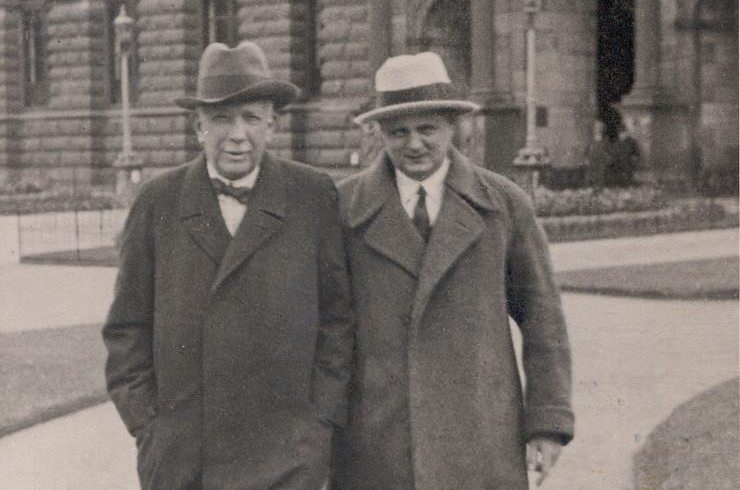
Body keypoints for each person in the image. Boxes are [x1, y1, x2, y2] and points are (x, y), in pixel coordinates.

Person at [102, 41, 354, 490]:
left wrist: (319, 424)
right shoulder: (159, 202)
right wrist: (150, 428)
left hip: (288, 459)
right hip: (185, 462)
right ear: (198, 126)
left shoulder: (312, 196)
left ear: (272, 125)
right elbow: (126, 329)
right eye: (221, 118)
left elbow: (338, 319)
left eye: (251, 118)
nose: (237, 134)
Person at [332, 52, 574, 490]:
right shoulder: (343, 210)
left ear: (451, 126)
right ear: (380, 133)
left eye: (427, 129)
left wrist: (547, 423)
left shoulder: (503, 204)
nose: (414, 144)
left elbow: (544, 321)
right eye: (399, 132)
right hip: (377, 441)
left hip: (480, 437)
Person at [610, 120, 641, 187]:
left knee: (627, 180)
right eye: (619, 133)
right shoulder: (616, 142)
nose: (621, 135)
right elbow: (613, 153)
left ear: (626, 132)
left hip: (628, 164)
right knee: (617, 179)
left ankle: (627, 183)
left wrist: (634, 161)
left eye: (623, 132)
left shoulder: (632, 142)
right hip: (617, 164)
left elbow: (637, 154)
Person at [585, 119, 611, 191]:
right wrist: (586, 159)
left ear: (602, 129)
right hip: (592, 161)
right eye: (595, 127)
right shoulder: (590, 140)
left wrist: (606, 159)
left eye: (599, 127)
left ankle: (600, 189)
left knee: (600, 176)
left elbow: (608, 151)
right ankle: (590, 188)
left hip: (601, 161)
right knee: (590, 176)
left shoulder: (606, 140)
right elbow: (586, 151)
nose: (597, 129)